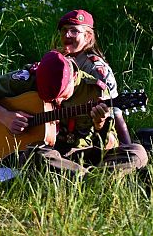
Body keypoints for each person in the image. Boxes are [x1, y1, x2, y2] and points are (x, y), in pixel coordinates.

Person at [0, 50, 148, 174]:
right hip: (45, 153)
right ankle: (91, 180)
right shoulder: (33, 76)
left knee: (138, 152)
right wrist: (3, 115)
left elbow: (107, 148)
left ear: (73, 79)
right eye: (49, 98)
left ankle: (81, 178)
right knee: (36, 156)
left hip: (79, 154)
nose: (56, 102)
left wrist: (100, 125)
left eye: (60, 96)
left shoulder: (96, 92)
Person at [56, 9, 132, 144]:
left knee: (135, 153)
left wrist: (126, 147)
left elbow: (114, 112)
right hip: (56, 134)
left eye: (74, 31)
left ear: (88, 37)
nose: (67, 35)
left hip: (87, 141)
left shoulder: (96, 69)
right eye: (64, 30)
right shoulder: (56, 61)